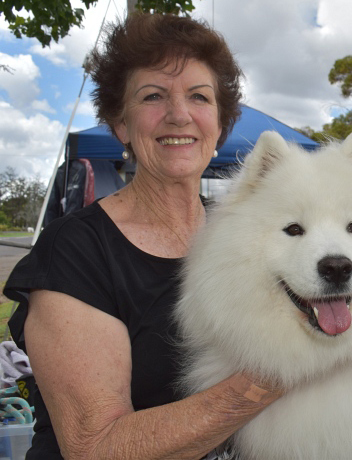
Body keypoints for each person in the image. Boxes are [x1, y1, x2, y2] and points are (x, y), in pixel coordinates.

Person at [3, 13, 283, 459]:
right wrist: (281, 374)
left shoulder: (246, 235)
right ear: (121, 125)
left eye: (199, 96)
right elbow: (95, 446)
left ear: (219, 124)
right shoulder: (74, 250)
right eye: (153, 96)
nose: (179, 115)